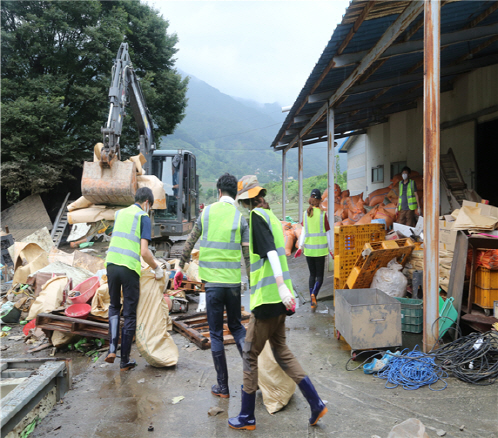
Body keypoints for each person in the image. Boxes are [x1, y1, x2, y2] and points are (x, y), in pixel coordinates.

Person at [229, 175, 327, 431]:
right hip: (280, 302)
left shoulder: (256, 217)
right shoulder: (272, 217)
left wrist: (282, 286)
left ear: (246, 200)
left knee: (250, 355)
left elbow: (271, 252)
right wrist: (285, 292)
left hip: (268, 301)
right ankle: (316, 403)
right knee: (281, 351)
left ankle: (247, 416)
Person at [176, 173, 250, 398]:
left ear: (219, 192)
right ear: (235, 194)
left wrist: (180, 266)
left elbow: (190, 242)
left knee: (216, 333)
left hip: (213, 286)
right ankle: (251, 378)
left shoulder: (206, 213)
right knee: (237, 328)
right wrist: (254, 283)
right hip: (233, 284)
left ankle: (223, 387)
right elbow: (247, 256)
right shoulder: (241, 219)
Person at [104, 187, 164, 371]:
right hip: (129, 268)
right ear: (147, 203)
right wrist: (156, 267)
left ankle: (112, 349)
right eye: (151, 208)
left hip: (112, 264)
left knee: (114, 306)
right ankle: (125, 361)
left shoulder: (120, 213)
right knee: (129, 313)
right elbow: (144, 251)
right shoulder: (143, 217)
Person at [297, 189, 332, 311]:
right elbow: (328, 234)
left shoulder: (305, 214)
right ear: (319, 201)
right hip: (320, 251)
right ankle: (314, 295)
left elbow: (303, 232)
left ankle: (312, 299)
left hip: (309, 250)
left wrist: (300, 247)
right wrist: (331, 248)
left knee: (312, 275)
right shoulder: (323, 214)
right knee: (320, 277)